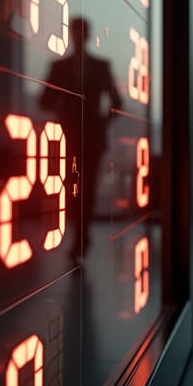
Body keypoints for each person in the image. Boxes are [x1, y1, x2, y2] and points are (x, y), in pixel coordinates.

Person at [40, 16, 122, 259]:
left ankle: (80, 237)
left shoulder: (96, 66)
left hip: (88, 137)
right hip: (74, 136)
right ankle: (80, 237)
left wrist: (101, 122)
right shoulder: (61, 67)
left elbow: (117, 102)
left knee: (84, 188)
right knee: (76, 189)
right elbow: (45, 101)